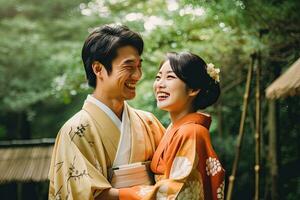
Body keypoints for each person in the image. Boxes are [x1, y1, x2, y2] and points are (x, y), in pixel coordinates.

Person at [48, 25, 165, 200]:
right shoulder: (74, 132)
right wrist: (146, 194)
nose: (138, 75)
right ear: (98, 69)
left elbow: (175, 170)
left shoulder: (149, 122)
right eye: (129, 66)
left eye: (139, 66)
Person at [119, 52, 225, 200]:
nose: (160, 84)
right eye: (158, 77)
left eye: (170, 77)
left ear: (193, 89)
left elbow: (180, 192)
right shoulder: (175, 129)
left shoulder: (191, 131)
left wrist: (119, 194)